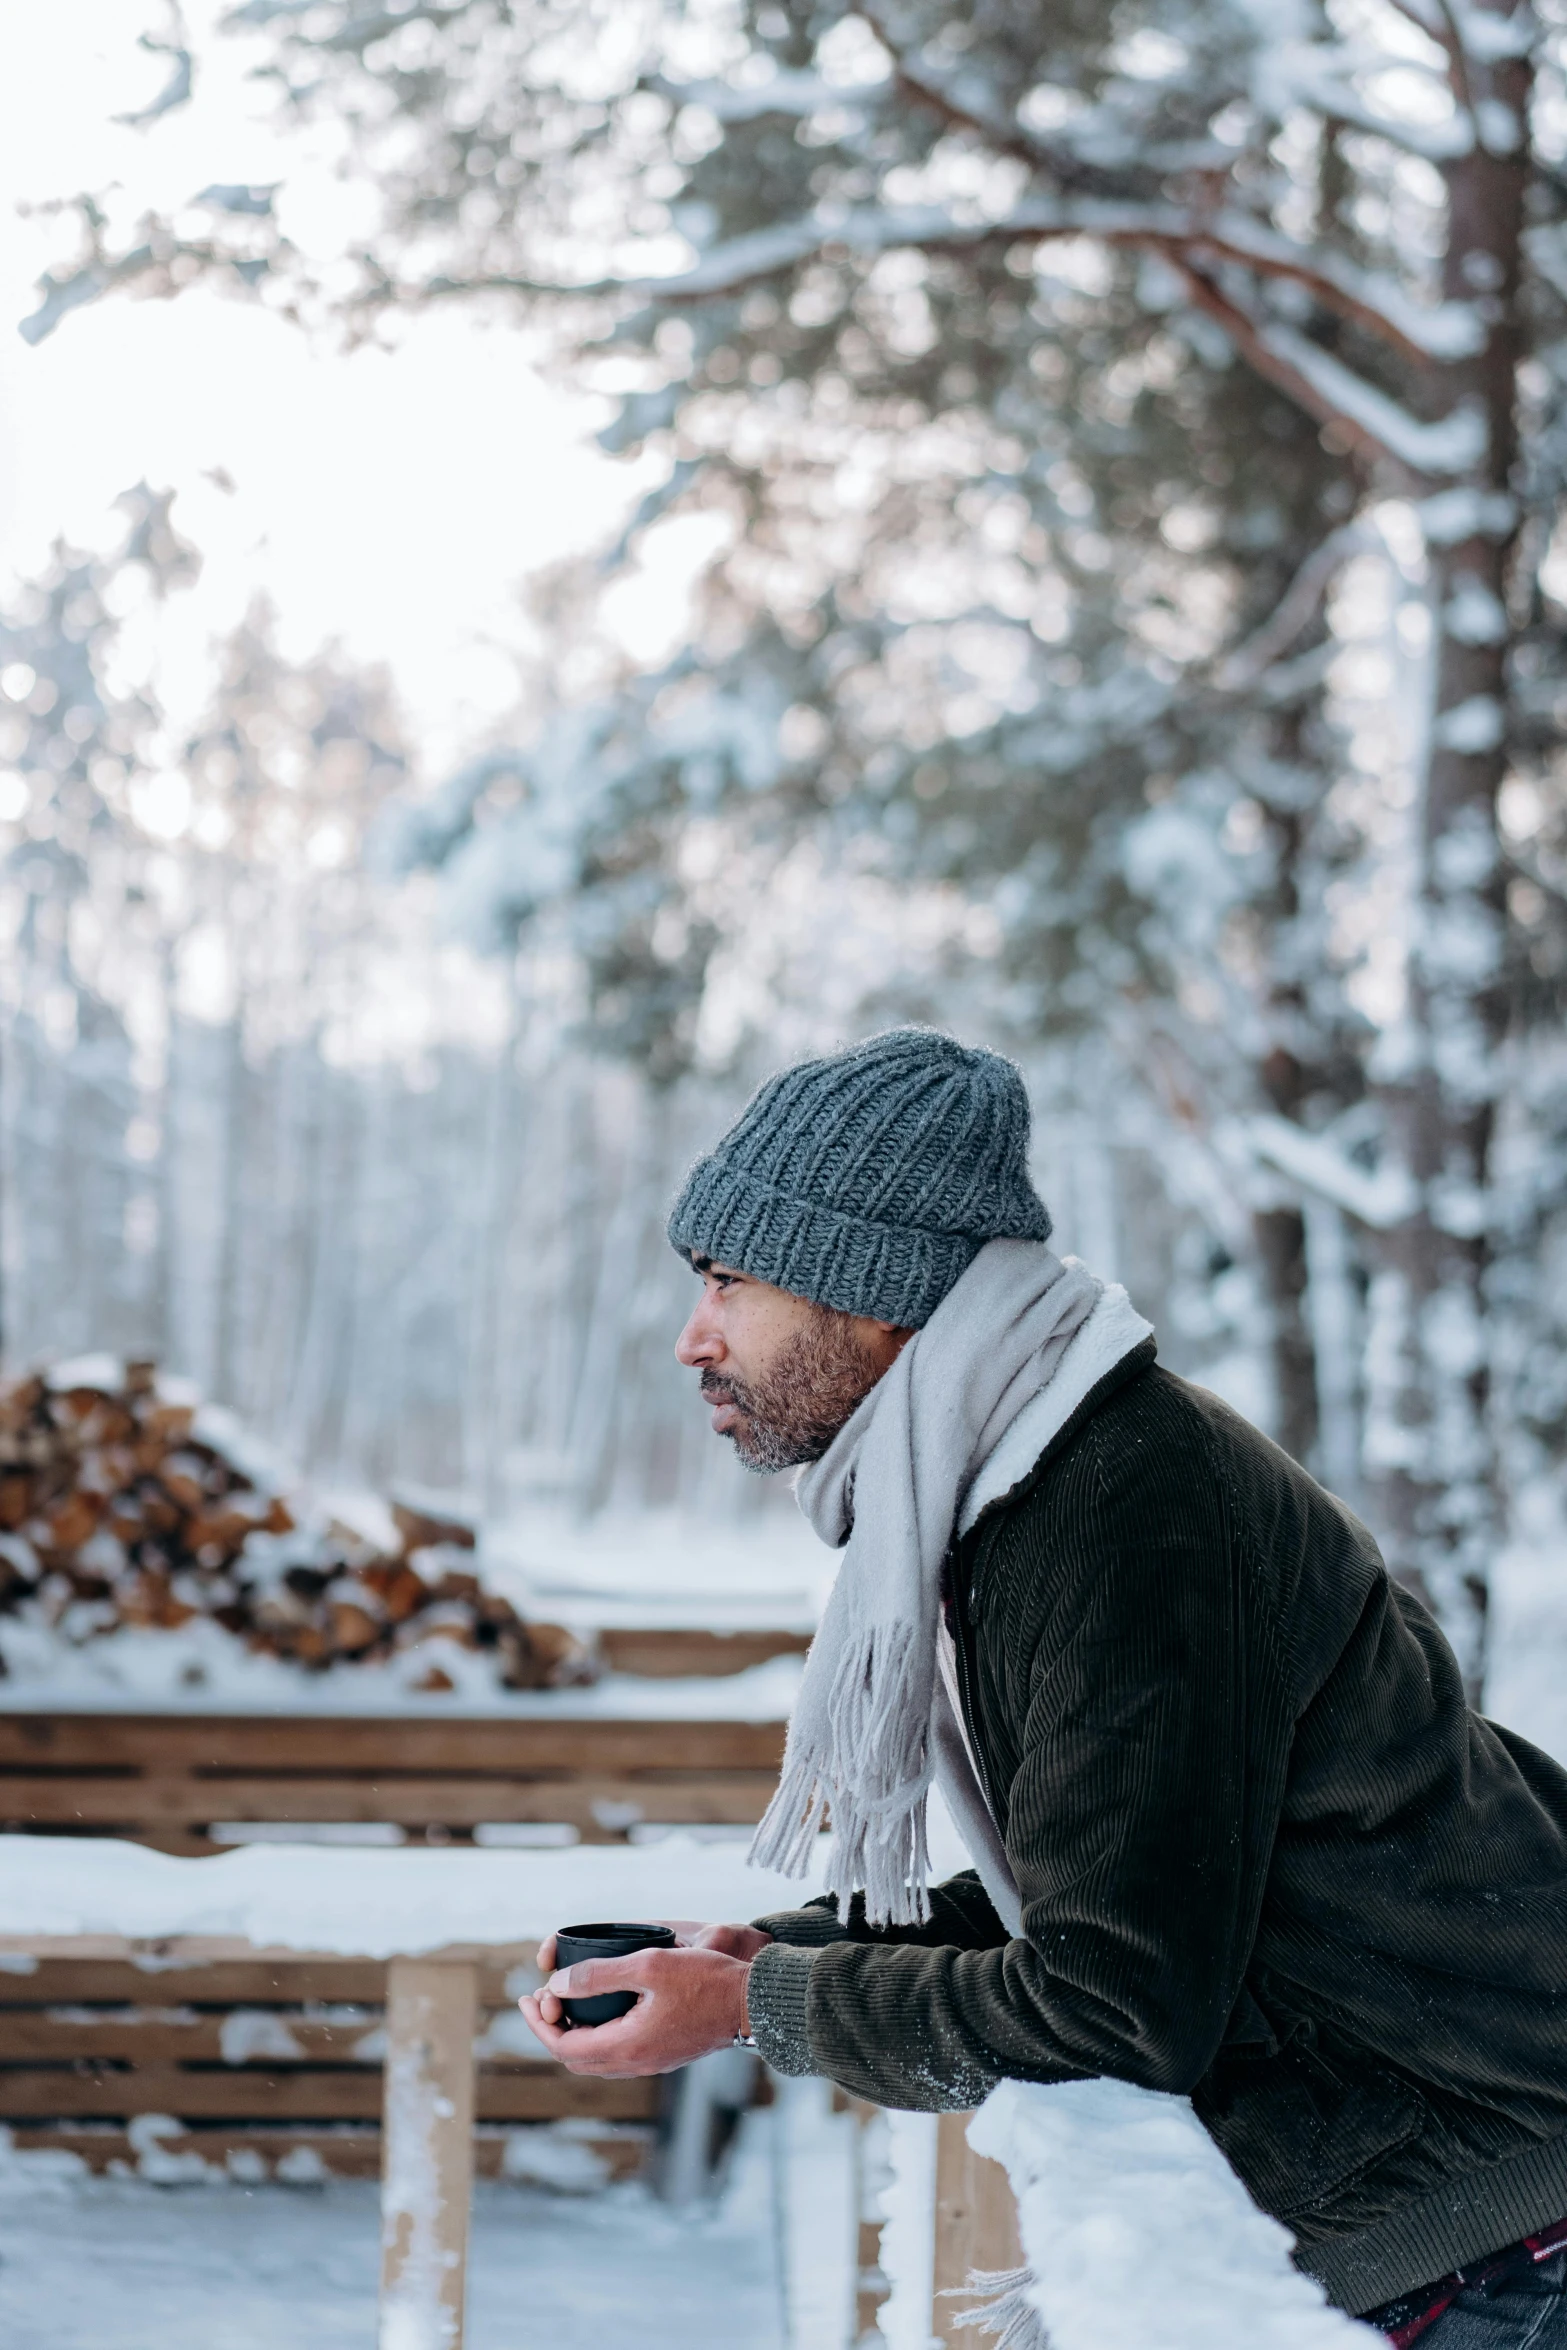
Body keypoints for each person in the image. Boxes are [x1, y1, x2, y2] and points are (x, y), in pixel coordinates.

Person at [520, 1029, 1567, 2347]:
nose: (691, 1337)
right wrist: (778, 1955)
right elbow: (1124, 1885)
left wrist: (755, 2010)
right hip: (1441, 2188)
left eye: (730, 1281)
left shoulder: (1116, 1510)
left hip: (1486, 2205)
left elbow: (1115, 1999)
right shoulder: (1034, 1479)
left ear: (874, 1290)